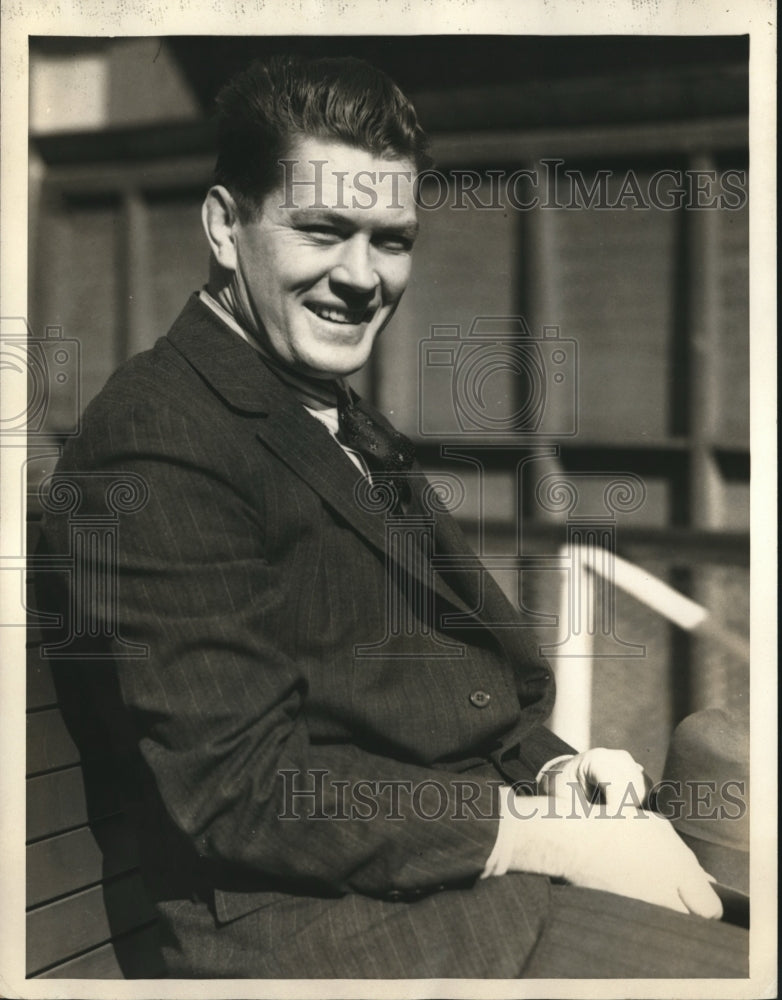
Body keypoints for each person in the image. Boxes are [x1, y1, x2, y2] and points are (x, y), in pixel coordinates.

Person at [37, 54, 748, 978]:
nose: (360, 277)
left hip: (457, 896)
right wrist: (543, 836)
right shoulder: (161, 439)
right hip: (337, 944)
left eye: (392, 239)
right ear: (225, 225)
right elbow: (241, 792)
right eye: (323, 230)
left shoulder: (325, 410)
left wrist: (552, 772)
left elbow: (442, 691)